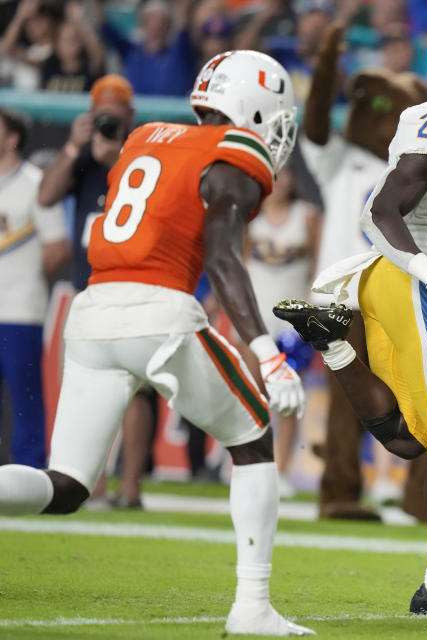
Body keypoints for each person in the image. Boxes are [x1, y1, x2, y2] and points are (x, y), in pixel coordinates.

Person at [0, 50, 312, 636]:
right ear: (252, 107)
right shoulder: (234, 152)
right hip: (158, 310)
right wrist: (267, 354)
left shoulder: (145, 135)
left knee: (65, 485)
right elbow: (221, 255)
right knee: (252, 438)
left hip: (92, 314)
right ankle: (252, 607)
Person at [275, 14, 427, 617]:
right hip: (417, 284)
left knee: (415, 443)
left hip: (405, 281)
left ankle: (338, 350)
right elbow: (380, 211)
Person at [300, 22, 427, 522]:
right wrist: (327, 61)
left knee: (421, 397)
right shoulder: (343, 161)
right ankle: (339, 494)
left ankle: (419, 499)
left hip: (401, 293)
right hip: (344, 297)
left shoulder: (421, 169)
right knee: (345, 404)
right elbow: (314, 125)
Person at [37, 74, 153, 509]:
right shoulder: (82, 156)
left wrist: (119, 158)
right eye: (101, 110)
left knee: (137, 392)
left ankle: (132, 488)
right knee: (86, 391)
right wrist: (73, 147)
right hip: (87, 287)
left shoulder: (145, 147)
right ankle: (93, 485)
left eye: (115, 109)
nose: (109, 117)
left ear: (130, 113)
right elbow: (46, 196)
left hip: (135, 285)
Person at [244, 165, 320, 498]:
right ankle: (250, 467)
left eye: (286, 174)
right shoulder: (249, 217)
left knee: (287, 397)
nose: (281, 181)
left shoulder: (307, 215)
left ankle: (282, 468)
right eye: (274, 176)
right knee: (252, 395)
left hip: (292, 320)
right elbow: (238, 262)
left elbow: (320, 263)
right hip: (254, 319)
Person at [0, 108, 69, 469]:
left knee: (25, 396)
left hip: (20, 309)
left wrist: (27, 277)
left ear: (13, 139)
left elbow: (58, 248)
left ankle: (28, 469)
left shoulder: (34, 183)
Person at [89, 0, 195, 96]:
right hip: (138, 115)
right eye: (150, 20)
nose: (156, 25)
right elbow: (104, 26)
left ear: (168, 26)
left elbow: (183, 21)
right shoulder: (130, 50)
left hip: (173, 115)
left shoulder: (179, 51)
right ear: (142, 24)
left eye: (161, 21)